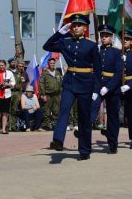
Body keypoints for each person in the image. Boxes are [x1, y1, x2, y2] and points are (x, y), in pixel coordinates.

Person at [44, 14, 101, 161]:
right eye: (73, 25)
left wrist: (96, 90)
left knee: (84, 117)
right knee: (64, 110)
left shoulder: (91, 45)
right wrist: (59, 33)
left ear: (85, 28)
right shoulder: (66, 42)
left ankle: (84, 150)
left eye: (79, 25)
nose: (75, 27)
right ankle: (58, 140)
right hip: (69, 82)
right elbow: (47, 46)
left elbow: (98, 70)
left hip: (86, 84)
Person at [89, 25, 123, 154]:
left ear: (111, 37)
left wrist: (108, 87)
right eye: (102, 36)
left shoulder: (116, 52)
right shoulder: (97, 51)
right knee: (91, 109)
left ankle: (113, 143)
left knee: (113, 117)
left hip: (112, 88)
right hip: (98, 85)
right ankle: (84, 134)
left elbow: (118, 72)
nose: (104, 38)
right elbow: (95, 70)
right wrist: (95, 88)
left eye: (106, 36)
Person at [0, 60, 16, 134]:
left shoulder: (9, 73)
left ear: (5, 65)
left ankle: (4, 129)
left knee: (5, 112)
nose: (1, 67)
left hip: (7, 94)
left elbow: (13, 82)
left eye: (3, 65)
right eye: (0, 65)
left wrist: (8, 84)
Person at [39, 57, 63, 131]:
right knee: (47, 111)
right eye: (51, 63)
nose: (52, 64)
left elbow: (61, 83)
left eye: (53, 63)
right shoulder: (45, 73)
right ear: (48, 64)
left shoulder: (58, 72)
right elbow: (41, 84)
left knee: (56, 111)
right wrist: (43, 95)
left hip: (57, 95)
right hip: (48, 95)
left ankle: (55, 125)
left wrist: (61, 93)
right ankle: (45, 126)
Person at [7, 57, 23, 132]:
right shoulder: (6, 71)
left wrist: (20, 95)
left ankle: (13, 126)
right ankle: (7, 126)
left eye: (14, 62)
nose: (13, 63)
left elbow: (21, 85)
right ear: (9, 63)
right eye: (12, 62)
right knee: (7, 110)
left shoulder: (18, 72)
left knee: (14, 110)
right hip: (9, 92)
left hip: (16, 93)